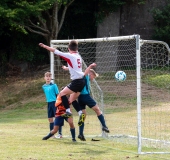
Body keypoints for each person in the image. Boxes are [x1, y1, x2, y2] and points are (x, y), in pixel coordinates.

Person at [39, 40, 85, 126]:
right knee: (72, 99)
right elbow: (75, 67)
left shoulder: (70, 56)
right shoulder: (78, 56)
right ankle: (80, 113)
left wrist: (45, 46)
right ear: (76, 49)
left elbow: (56, 51)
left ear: (68, 49)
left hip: (76, 82)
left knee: (62, 93)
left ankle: (67, 111)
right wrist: (67, 68)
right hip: (82, 81)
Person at [63, 64, 110, 141]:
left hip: (80, 98)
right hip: (86, 96)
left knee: (83, 115)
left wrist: (66, 68)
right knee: (97, 110)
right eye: (93, 77)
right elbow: (86, 71)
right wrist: (90, 66)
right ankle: (104, 126)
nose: (92, 79)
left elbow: (73, 69)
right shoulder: (86, 75)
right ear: (90, 74)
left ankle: (81, 134)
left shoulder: (80, 75)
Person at [42, 72, 62, 138]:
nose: (48, 77)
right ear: (44, 78)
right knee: (50, 119)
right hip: (49, 103)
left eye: (49, 76)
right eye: (46, 76)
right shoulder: (44, 86)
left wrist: (58, 103)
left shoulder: (54, 85)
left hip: (55, 103)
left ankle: (60, 133)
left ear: (51, 78)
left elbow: (58, 95)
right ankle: (52, 134)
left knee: (57, 118)